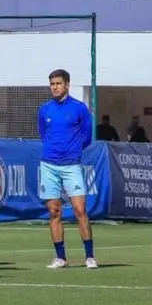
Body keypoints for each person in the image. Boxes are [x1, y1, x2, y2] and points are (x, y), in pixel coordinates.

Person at [39, 69, 97, 269]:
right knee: (54, 211)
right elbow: (43, 134)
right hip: (48, 165)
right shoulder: (45, 109)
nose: (54, 87)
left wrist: (72, 151)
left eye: (58, 84)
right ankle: (61, 258)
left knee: (80, 210)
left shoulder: (79, 108)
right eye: (52, 84)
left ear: (67, 85)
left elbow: (87, 137)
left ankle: (89, 256)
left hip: (71, 165)